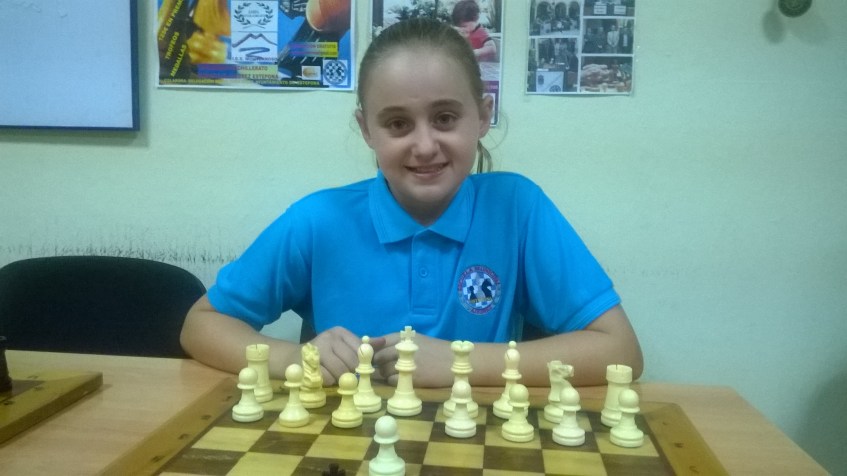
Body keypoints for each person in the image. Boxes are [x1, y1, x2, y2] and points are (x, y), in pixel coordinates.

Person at [180, 18, 643, 389]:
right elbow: (201, 325)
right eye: (398, 124)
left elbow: (620, 350)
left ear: (482, 115)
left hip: (476, 446)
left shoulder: (517, 209)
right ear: (367, 129)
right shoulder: (318, 221)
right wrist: (295, 358)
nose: (424, 146)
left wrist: (461, 362)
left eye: (445, 118)